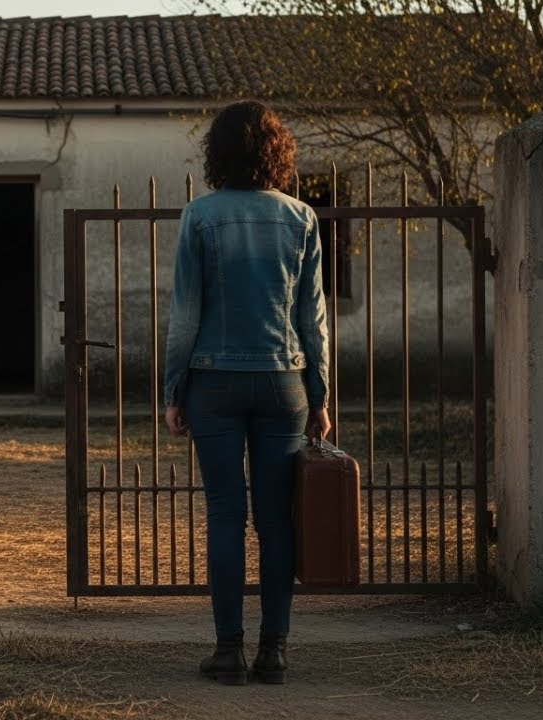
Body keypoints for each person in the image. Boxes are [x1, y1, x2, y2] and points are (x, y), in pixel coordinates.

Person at [163, 99, 331, 686]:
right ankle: (274, 652)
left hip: (213, 382)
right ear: (276, 152)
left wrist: (174, 389)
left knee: (226, 514)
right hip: (284, 382)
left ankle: (228, 652)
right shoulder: (301, 218)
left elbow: (185, 315)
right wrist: (319, 395)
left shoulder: (199, 216)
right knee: (276, 520)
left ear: (219, 152)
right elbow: (313, 320)